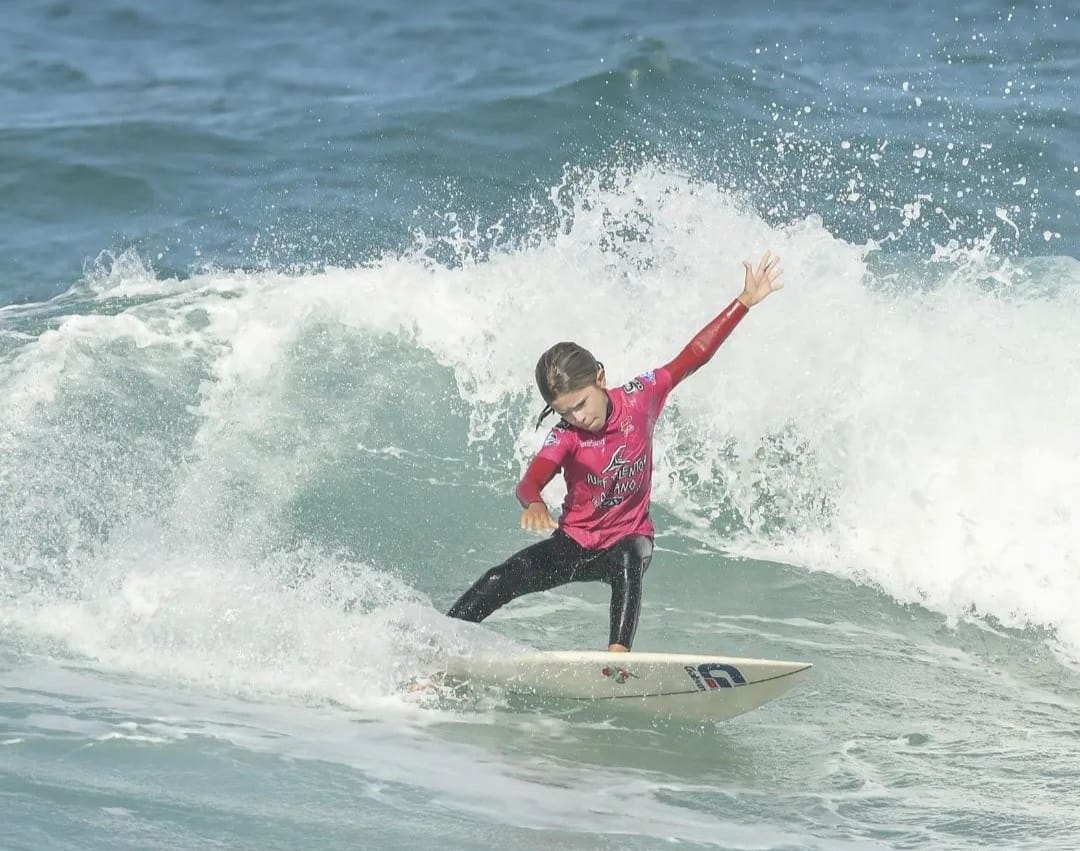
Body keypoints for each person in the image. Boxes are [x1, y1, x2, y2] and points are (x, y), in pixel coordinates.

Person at [447, 252, 783, 652]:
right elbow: (533, 477)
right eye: (564, 411)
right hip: (574, 544)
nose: (577, 417)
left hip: (629, 537)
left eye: (581, 404)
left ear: (601, 379)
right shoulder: (565, 436)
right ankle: (440, 641)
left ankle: (618, 658)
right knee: (500, 578)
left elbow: (693, 355)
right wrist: (533, 501)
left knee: (627, 559)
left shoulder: (642, 397)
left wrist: (743, 302)